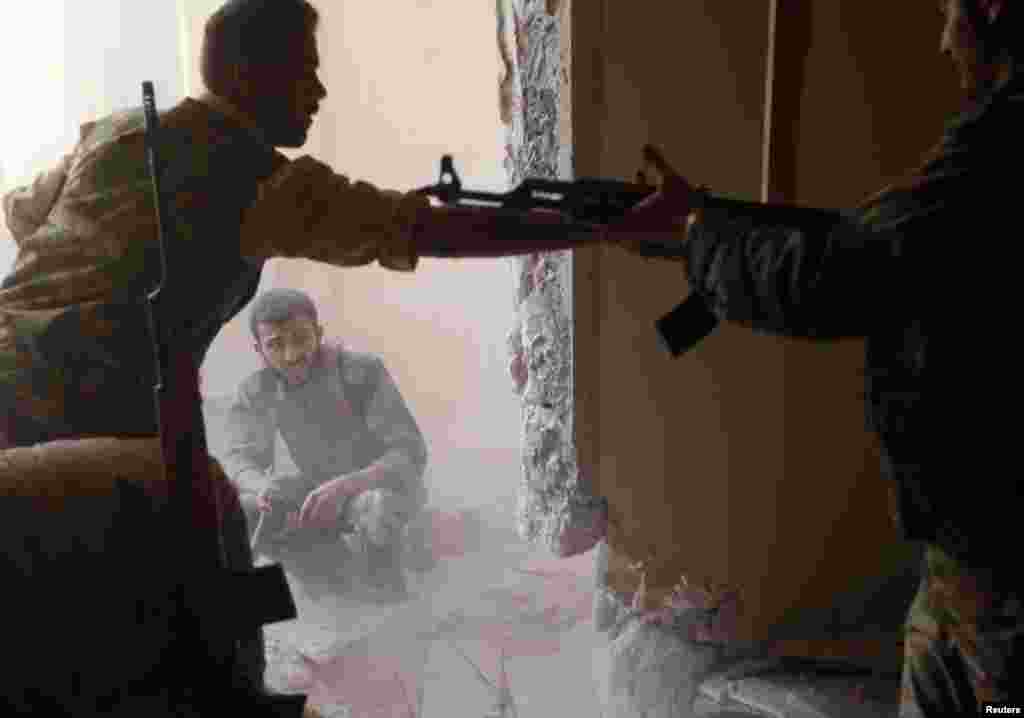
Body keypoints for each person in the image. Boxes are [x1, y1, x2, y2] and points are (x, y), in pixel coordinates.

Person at [0, 0, 676, 708]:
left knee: (156, 571)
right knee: (204, 554)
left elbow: (24, 213)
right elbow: (427, 231)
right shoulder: (256, 180)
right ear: (253, 74)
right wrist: (611, 228)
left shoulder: (113, 133)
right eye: (308, 73)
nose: (320, 92)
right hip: (77, 414)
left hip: (29, 384)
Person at [612, 0, 1022, 714]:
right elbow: (868, 237)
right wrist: (706, 222)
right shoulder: (998, 136)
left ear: (991, 8)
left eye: (949, 10)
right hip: (965, 562)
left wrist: (697, 234)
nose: (942, 37)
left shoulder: (1008, 138)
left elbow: (845, 269)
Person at [223, 288, 428, 603]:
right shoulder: (256, 391)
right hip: (314, 491)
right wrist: (262, 486)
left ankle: (387, 591)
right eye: (276, 345)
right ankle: (322, 579)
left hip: (377, 487)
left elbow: (409, 453)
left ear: (318, 333)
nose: (291, 354)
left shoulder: (360, 371)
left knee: (377, 507)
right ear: (259, 350)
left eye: (300, 338)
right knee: (238, 508)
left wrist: (346, 486)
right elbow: (239, 459)